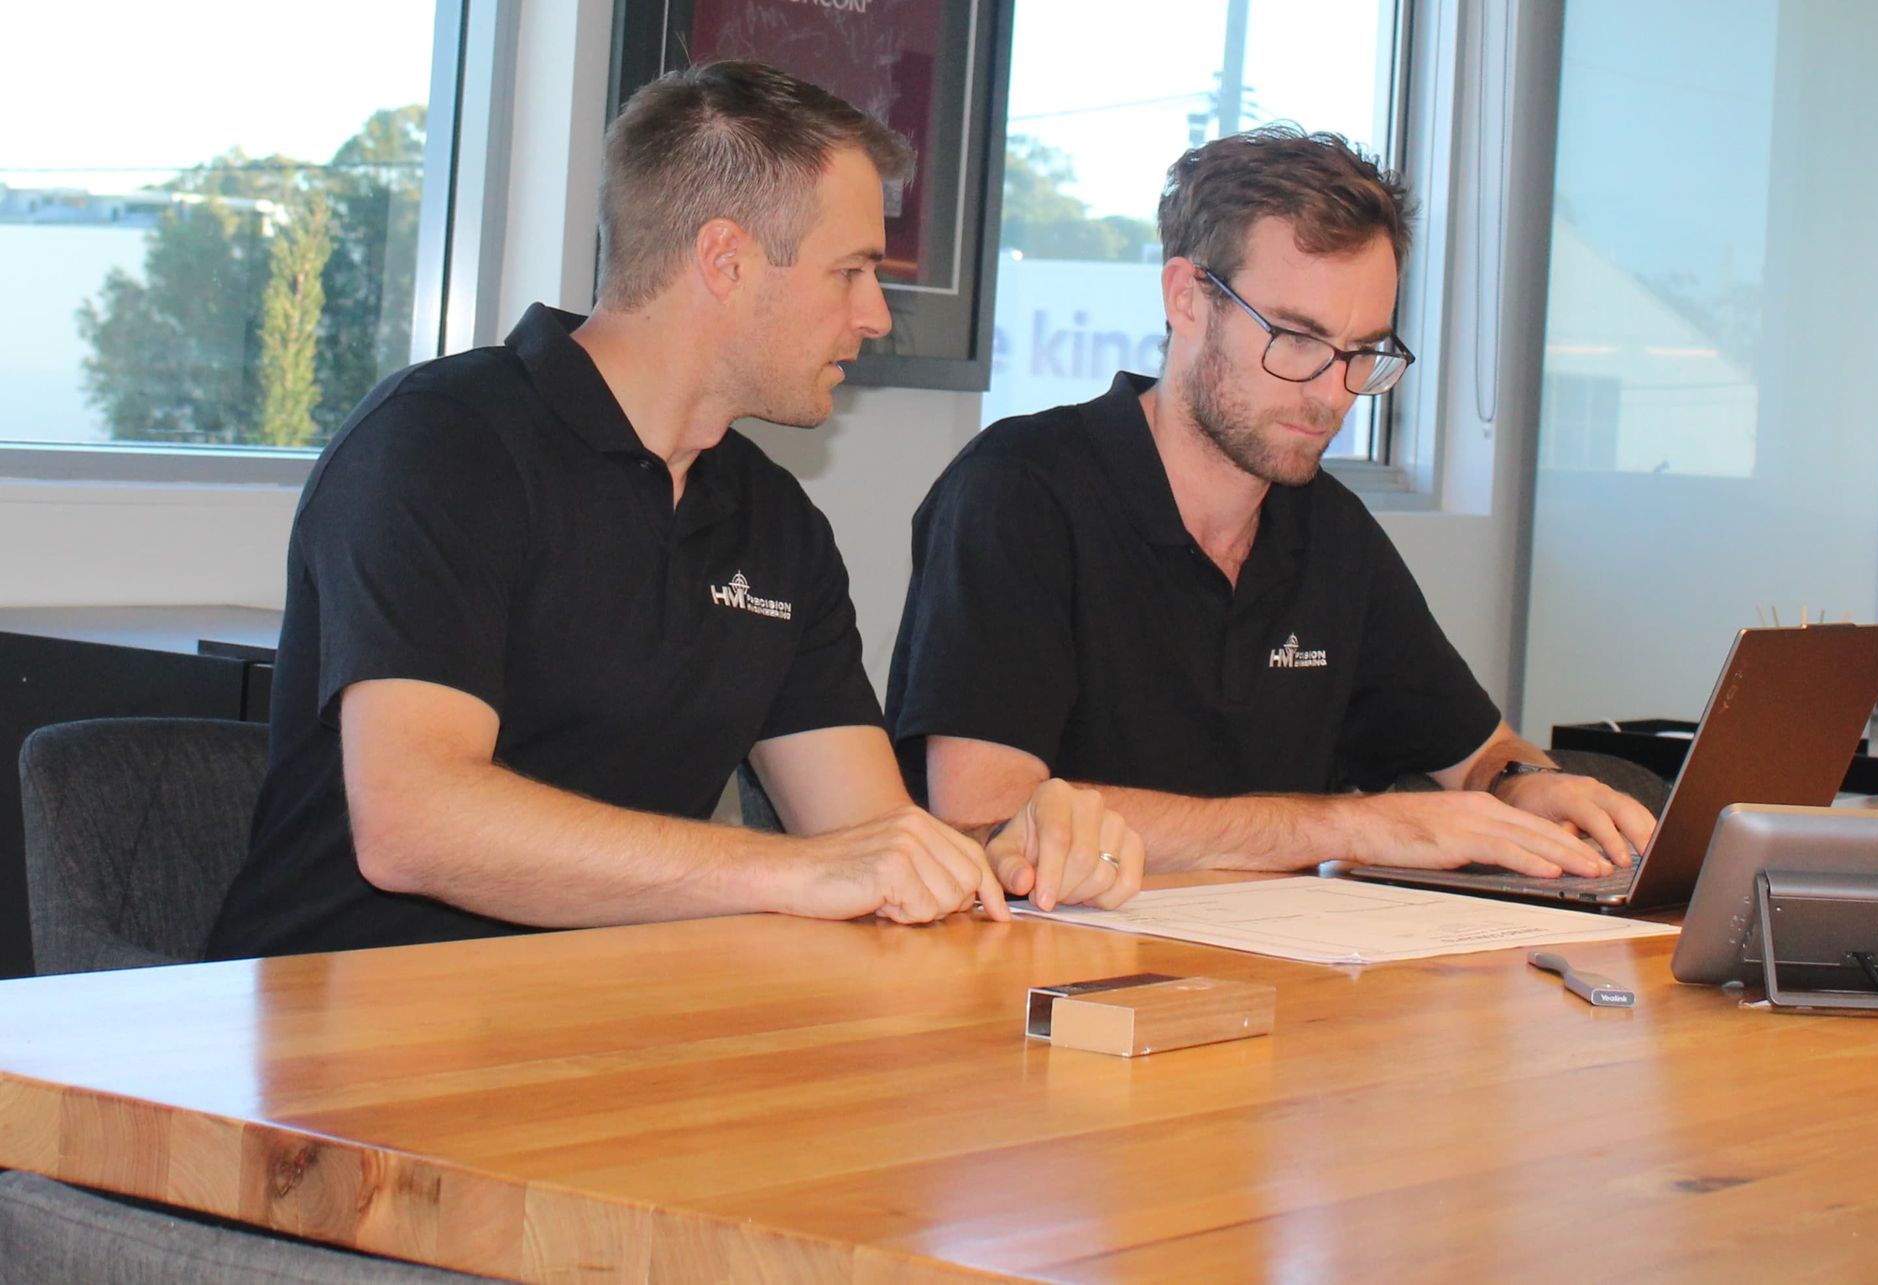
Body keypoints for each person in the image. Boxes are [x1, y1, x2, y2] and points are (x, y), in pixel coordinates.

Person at [206, 62, 1144, 962]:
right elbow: (413, 825)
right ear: (726, 260)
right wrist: (793, 872)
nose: (875, 317)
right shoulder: (444, 443)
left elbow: (865, 839)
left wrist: (1006, 853)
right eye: (851, 271)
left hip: (612, 1029)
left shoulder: (772, 521)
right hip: (341, 1050)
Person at [885, 124, 1656, 880]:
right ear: (1188, 299)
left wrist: (1522, 782)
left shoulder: (1328, 528)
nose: (1332, 392)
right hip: (1045, 982)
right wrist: (1358, 825)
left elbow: (1474, 748)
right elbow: (987, 814)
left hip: (1289, 982)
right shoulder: (1019, 490)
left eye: (1363, 354)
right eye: (1294, 338)